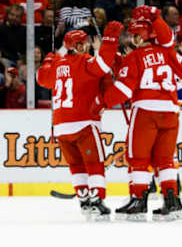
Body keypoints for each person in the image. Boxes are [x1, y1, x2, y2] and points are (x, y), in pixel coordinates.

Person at [91, 7, 182, 222]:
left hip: (146, 112)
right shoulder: (169, 52)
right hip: (171, 112)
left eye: (132, 35)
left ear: (138, 36)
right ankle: (172, 201)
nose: (130, 39)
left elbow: (124, 90)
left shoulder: (135, 56)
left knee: (138, 157)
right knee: (165, 159)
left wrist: (102, 102)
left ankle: (138, 199)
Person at [37, 22, 124, 221]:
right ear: (76, 46)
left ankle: (84, 199)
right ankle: (98, 200)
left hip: (60, 127)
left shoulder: (57, 65)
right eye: (82, 43)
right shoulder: (84, 62)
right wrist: (109, 40)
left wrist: (48, 60)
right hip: (83, 122)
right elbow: (104, 64)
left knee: (76, 165)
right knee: (94, 163)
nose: (85, 45)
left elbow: (42, 79)